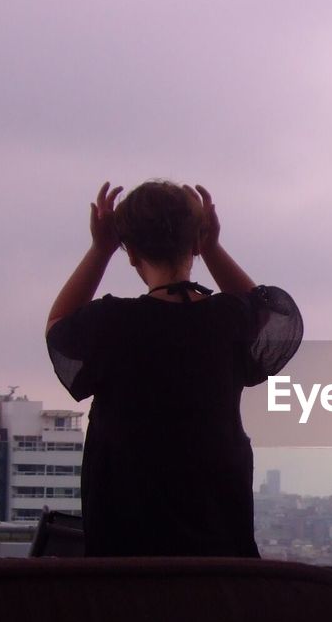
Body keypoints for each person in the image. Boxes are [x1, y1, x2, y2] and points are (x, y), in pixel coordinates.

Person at [45, 180, 301, 557]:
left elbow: (58, 328)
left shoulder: (111, 325)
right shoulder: (226, 320)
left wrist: (100, 251)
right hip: (219, 559)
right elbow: (272, 318)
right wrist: (212, 249)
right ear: (195, 242)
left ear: (129, 252)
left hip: (124, 559)